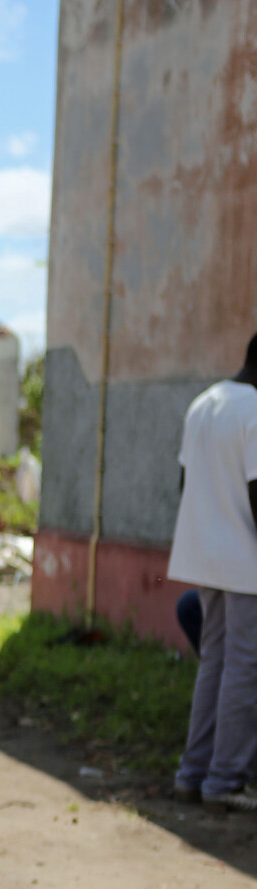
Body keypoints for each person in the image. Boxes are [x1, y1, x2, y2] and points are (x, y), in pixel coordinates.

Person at [167, 330, 257, 813]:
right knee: (244, 669)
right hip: (247, 562)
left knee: (215, 665)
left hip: (208, 558)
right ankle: (225, 781)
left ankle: (193, 773)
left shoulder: (205, 403)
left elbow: (186, 482)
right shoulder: (256, 411)